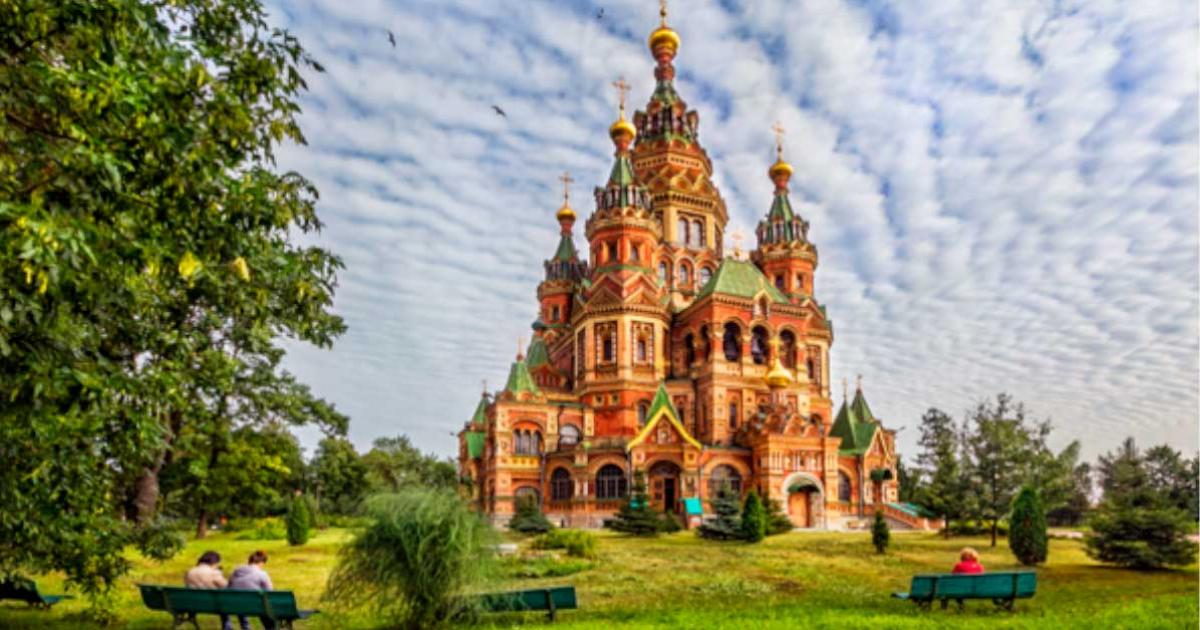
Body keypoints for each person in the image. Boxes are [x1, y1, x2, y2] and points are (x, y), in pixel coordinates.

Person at [225, 550, 276, 630]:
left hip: (235, 605)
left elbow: (228, 587)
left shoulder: (236, 571)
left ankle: (245, 627)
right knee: (264, 606)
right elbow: (270, 592)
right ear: (262, 562)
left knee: (241, 601)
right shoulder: (262, 574)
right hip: (256, 606)